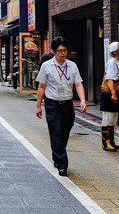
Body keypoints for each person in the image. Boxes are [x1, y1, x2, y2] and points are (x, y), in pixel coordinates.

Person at [35, 36, 87, 176]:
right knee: (56, 132)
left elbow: (78, 84)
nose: (63, 53)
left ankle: (57, 155)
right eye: (59, 51)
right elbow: (41, 86)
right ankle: (63, 165)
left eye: (64, 50)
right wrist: (39, 105)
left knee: (64, 132)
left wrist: (82, 100)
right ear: (53, 51)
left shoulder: (72, 66)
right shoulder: (46, 66)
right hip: (52, 104)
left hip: (67, 105)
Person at [100, 42, 119, 151]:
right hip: (109, 95)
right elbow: (109, 79)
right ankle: (106, 143)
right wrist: (113, 94)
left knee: (113, 119)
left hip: (116, 94)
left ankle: (112, 141)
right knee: (107, 119)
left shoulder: (118, 62)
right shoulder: (111, 62)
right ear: (115, 51)